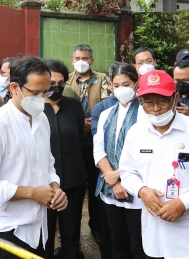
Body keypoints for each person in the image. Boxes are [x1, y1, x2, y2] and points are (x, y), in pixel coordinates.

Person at [0, 56, 67, 258]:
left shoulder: (42, 120)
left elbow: (48, 165)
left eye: (45, 92)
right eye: (35, 92)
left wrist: (55, 189)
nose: (41, 98)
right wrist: (32, 193)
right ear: (14, 87)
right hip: (4, 230)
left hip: (37, 227)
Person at [119, 70, 189, 259]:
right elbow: (127, 172)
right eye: (148, 103)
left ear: (176, 98)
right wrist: (141, 190)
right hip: (154, 236)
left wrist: (183, 203)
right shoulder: (135, 133)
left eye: (162, 101)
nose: (155, 109)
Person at [94, 62, 144, 259]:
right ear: (110, 86)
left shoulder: (146, 114)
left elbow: (146, 154)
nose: (121, 89)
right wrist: (113, 180)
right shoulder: (107, 114)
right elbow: (99, 150)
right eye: (116, 85)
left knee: (139, 246)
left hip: (138, 191)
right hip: (110, 189)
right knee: (118, 244)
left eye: (126, 84)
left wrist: (121, 176)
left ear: (136, 84)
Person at [66, 43, 110, 245]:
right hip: (73, 141)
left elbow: (105, 106)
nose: (81, 62)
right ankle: (69, 232)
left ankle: (96, 226)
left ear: (91, 60)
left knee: (95, 186)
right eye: (77, 58)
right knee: (74, 187)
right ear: (72, 60)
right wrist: (78, 123)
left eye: (85, 58)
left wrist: (89, 123)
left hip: (94, 140)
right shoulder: (66, 79)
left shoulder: (101, 79)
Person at [43, 59, 87, 259]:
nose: (56, 87)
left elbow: (79, 137)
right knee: (46, 231)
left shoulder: (74, 105)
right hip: (44, 183)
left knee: (71, 230)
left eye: (61, 83)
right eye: (52, 83)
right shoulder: (33, 109)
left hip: (73, 179)